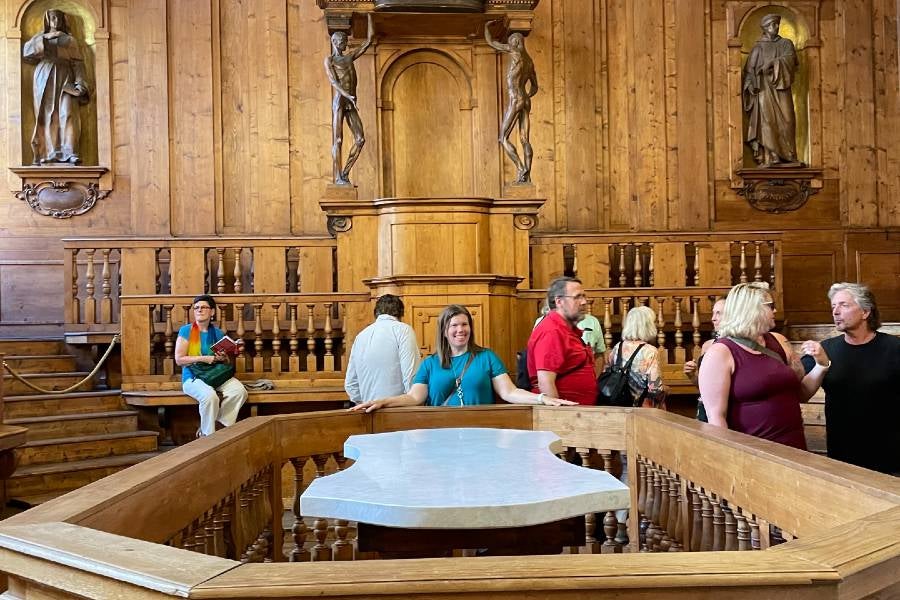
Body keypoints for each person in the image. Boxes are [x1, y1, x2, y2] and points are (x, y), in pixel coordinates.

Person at [350, 304, 575, 412]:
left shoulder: (486, 357)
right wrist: (383, 401)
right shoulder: (430, 363)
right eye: (454, 325)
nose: (460, 330)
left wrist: (542, 398)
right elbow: (414, 398)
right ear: (444, 331)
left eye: (465, 324)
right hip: (440, 436)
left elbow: (510, 392)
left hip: (481, 435)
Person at [698, 283, 829, 449]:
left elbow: (801, 394)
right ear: (750, 309)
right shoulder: (720, 352)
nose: (775, 311)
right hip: (754, 453)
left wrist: (821, 365)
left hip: (794, 447)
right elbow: (716, 417)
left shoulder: (778, 340)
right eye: (770, 306)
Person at [803, 283, 899, 474]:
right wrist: (821, 364)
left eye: (844, 305)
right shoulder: (825, 349)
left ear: (865, 312)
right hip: (842, 454)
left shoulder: (894, 348)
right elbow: (801, 394)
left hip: (891, 455)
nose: (836, 312)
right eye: (833, 307)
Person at [174, 294, 248, 437]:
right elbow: (179, 359)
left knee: (239, 392)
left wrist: (226, 354)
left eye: (203, 307)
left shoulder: (218, 332)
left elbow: (224, 360)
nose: (199, 310)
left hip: (215, 374)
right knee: (210, 397)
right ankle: (208, 436)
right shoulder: (186, 330)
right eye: (196, 308)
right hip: (193, 377)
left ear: (212, 312)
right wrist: (205, 358)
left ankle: (220, 425)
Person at [22, 9, 90, 165]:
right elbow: (27, 53)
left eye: (58, 18)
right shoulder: (40, 38)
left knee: (68, 113)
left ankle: (70, 152)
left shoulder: (69, 40)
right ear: (47, 20)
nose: (55, 21)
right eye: (52, 18)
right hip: (44, 76)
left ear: (63, 20)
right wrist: (43, 41)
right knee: (47, 114)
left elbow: (78, 63)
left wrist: (80, 83)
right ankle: (47, 153)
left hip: (66, 78)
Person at [741, 14, 802, 168]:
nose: (775, 27)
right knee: (767, 121)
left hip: (781, 89)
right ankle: (770, 157)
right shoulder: (758, 47)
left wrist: (772, 64)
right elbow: (749, 72)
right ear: (765, 27)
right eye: (772, 25)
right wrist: (750, 85)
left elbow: (791, 60)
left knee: (788, 120)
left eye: (776, 24)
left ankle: (789, 156)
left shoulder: (785, 44)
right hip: (764, 90)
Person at [527, 277, 597, 405]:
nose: (584, 302)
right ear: (559, 301)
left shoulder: (567, 330)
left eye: (584, 296)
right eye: (577, 297)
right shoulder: (551, 331)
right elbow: (545, 382)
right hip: (565, 418)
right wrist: (560, 416)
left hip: (579, 413)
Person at [485, 21, 538, 183]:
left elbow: (492, 42)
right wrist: (524, 96)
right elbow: (535, 87)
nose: (510, 44)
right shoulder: (529, 61)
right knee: (524, 139)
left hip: (515, 98)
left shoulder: (514, 51)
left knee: (503, 137)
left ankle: (521, 168)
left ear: (515, 42)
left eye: (511, 41)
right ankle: (526, 177)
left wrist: (487, 27)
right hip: (526, 100)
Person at [324, 15, 374, 185]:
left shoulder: (348, 58)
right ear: (336, 42)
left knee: (360, 139)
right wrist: (347, 95)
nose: (346, 44)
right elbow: (333, 81)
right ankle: (337, 177)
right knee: (338, 140)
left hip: (351, 102)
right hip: (340, 100)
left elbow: (368, 42)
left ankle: (344, 174)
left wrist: (370, 16)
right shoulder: (329, 60)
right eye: (344, 42)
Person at [344, 294, 420, 404]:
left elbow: (351, 384)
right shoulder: (403, 331)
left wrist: (366, 403)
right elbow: (411, 376)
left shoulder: (360, 336)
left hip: (367, 411)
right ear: (401, 313)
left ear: (376, 313)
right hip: (398, 410)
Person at [604, 306, 668, 409]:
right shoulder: (649, 351)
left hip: (617, 406)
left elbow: (607, 373)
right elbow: (655, 389)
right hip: (640, 410)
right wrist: (666, 390)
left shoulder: (617, 347)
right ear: (648, 326)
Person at [683, 298, 726, 420]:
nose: (713, 318)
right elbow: (702, 386)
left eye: (719, 313)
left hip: (727, 409)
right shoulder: (707, 345)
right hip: (705, 408)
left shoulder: (737, 346)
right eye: (713, 313)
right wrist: (691, 375)